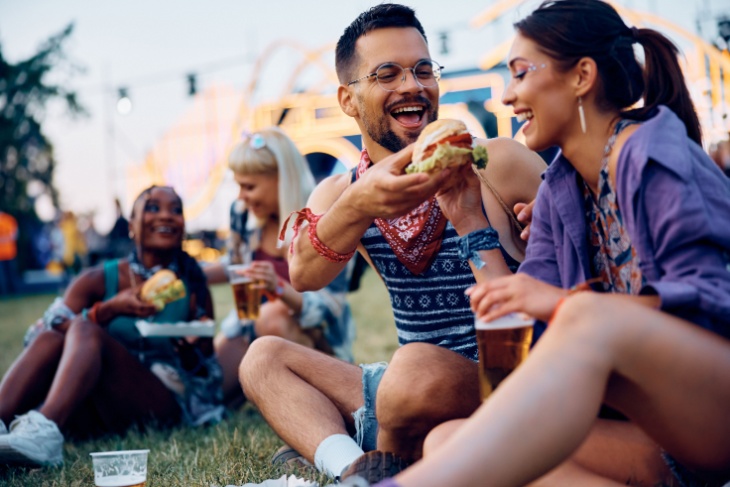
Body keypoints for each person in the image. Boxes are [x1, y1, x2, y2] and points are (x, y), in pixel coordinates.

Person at [374, 1, 730, 486]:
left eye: (520, 74)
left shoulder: (653, 157)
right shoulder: (563, 186)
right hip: (655, 441)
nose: (506, 96)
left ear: (582, 76)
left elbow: (711, 307)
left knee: (583, 316)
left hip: (710, 410)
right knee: (449, 440)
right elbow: (519, 326)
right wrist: (467, 218)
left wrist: (564, 305)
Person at [240, 3, 546, 483]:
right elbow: (304, 275)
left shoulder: (497, 161)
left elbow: (581, 238)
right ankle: (357, 469)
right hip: (402, 388)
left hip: (497, 379)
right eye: (388, 74)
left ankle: (368, 441)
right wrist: (359, 203)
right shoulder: (343, 194)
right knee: (262, 359)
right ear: (348, 100)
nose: (413, 85)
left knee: (413, 368)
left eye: (424, 70)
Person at [0, 185, 223, 467]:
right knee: (70, 330)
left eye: (176, 210)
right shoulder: (97, 278)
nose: (166, 216)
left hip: (156, 405)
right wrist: (109, 309)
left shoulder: (193, 286)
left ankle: (44, 429)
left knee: (84, 327)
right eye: (153, 207)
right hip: (91, 406)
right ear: (131, 226)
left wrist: (194, 356)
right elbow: (40, 334)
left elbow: (209, 382)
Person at [203, 127, 356, 408]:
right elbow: (236, 266)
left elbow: (328, 308)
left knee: (272, 314)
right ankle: (265, 387)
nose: (241, 197)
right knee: (206, 394)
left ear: (281, 180)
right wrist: (192, 274)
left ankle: (318, 403)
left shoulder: (325, 217)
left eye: (249, 187)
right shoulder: (241, 214)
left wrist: (279, 288)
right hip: (249, 326)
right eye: (238, 186)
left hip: (317, 338)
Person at [0, 211, 19, 296]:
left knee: (11, 273)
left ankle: (14, 292)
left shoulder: (9, 219)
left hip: (10, 252)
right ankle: (5, 293)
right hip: (1, 254)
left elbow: (14, 234)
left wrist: (4, 239)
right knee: (2, 275)